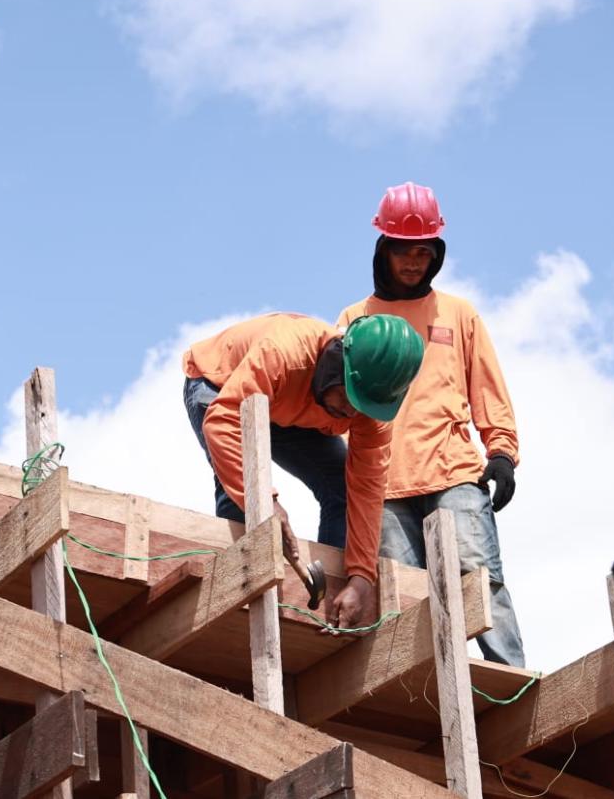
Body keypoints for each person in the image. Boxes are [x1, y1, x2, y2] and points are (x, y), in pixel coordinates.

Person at [339, 182, 526, 666]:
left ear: (436, 252)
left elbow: (487, 387)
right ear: (384, 249)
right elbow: (340, 406)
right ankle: (425, 698)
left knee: (480, 580)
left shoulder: (458, 314)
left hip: (454, 474)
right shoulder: (355, 319)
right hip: (385, 485)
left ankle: (512, 679)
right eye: (403, 250)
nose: (413, 262)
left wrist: (502, 454)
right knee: (405, 599)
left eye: (424, 251)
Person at [182, 312, 424, 630]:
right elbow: (222, 422)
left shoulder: (370, 414)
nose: (351, 412)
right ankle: (241, 590)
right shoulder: (284, 351)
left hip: (293, 410)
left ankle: (330, 599)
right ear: (335, 360)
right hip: (221, 388)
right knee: (238, 485)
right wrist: (265, 501)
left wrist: (361, 577)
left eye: (361, 406)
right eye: (348, 396)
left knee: (342, 486)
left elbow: (365, 492)